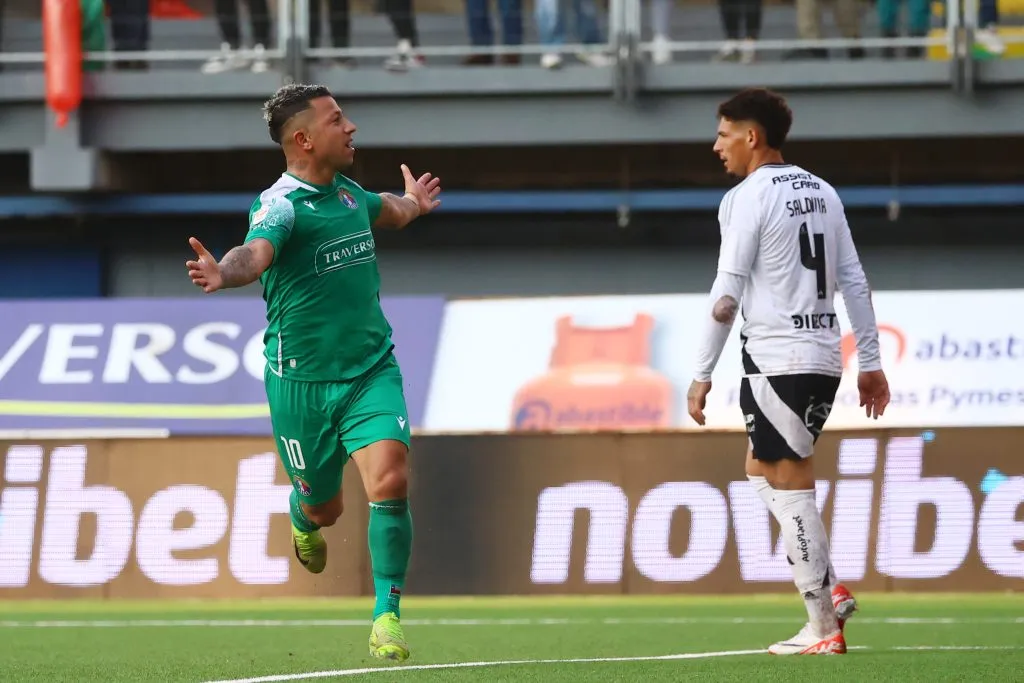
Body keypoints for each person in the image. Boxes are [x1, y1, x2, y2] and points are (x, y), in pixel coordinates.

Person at [185, 83, 441, 662]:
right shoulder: (279, 206)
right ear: (303, 139)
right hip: (301, 385)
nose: (350, 128)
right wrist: (224, 274)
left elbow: (390, 209)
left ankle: (386, 616)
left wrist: (414, 205)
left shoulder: (349, 193)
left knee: (391, 479)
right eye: (336, 119)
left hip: (371, 369)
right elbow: (254, 253)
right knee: (327, 508)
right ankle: (303, 512)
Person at [686, 87, 890, 656]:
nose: (716, 145)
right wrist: (869, 361)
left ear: (752, 136)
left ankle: (822, 622)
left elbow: (727, 294)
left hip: (779, 357)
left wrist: (701, 371)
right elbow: (855, 280)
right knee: (759, 465)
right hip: (820, 356)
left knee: (789, 474)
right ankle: (829, 584)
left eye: (724, 133)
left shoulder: (747, 198)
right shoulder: (823, 191)